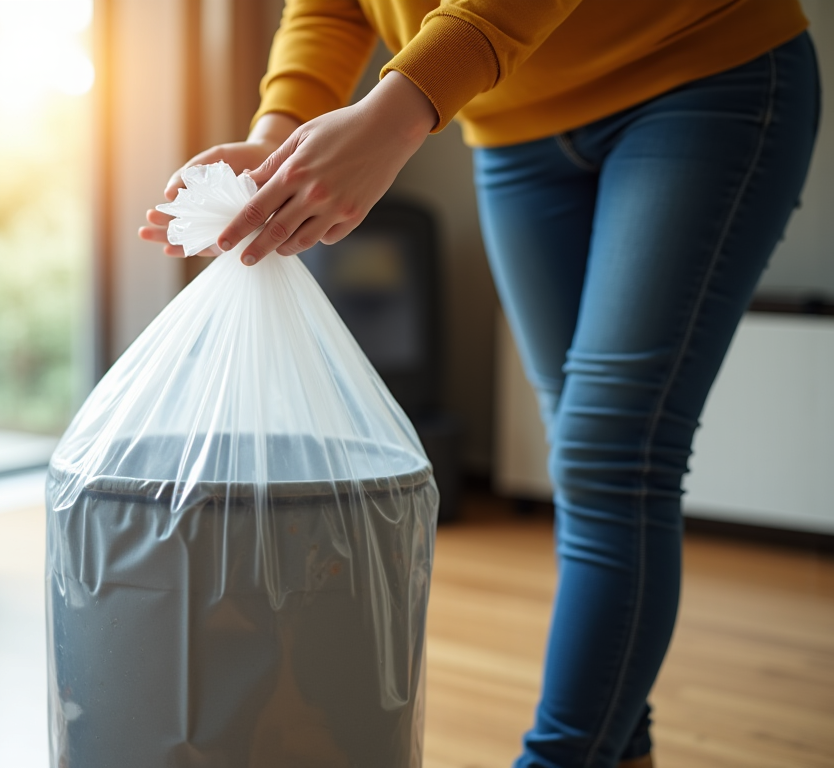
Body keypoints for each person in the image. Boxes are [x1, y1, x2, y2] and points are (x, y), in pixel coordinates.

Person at [138, 2, 820, 766]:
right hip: (511, 127)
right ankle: (619, 750)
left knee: (611, 455)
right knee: (587, 452)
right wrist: (278, 132)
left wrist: (399, 111)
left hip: (696, 74)